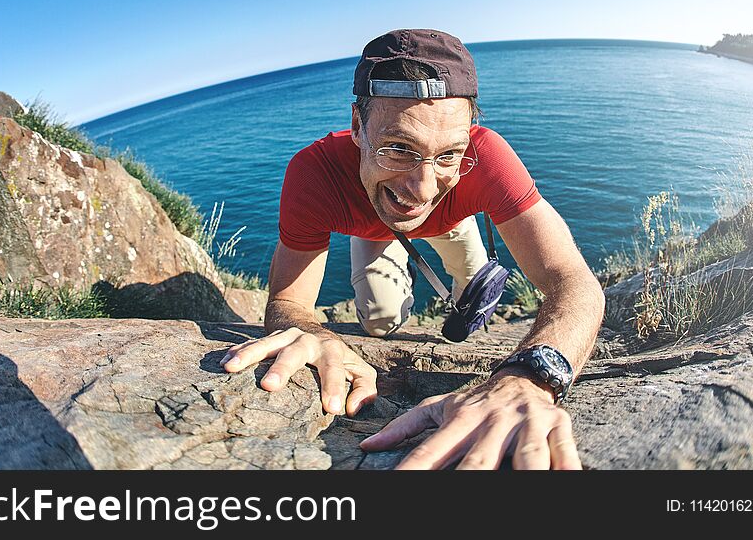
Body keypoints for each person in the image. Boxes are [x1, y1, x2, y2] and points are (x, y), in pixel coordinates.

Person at [219, 29, 605, 470]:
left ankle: (462, 312)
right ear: (358, 127)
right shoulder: (315, 174)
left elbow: (573, 281)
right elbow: (288, 301)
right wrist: (316, 336)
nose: (422, 186)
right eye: (398, 149)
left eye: (448, 155)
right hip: (375, 229)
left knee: (472, 296)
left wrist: (531, 377)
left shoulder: (486, 157)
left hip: (451, 221)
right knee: (381, 322)